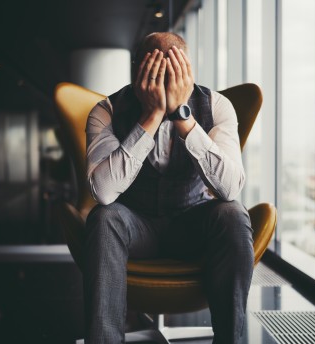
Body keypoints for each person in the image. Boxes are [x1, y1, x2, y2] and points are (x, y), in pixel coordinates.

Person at [83, 32, 254, 343]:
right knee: (104, 217)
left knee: (233, 213)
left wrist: (183, 120)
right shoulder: (105, 111)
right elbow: (103, 192)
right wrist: (150, 118)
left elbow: (230, 188)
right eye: (154, 71)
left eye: (173, 71)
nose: (164, 81)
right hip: (135, 227)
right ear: (138, 72)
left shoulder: (217, 106)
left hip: (191, 225)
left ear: (187, 70)